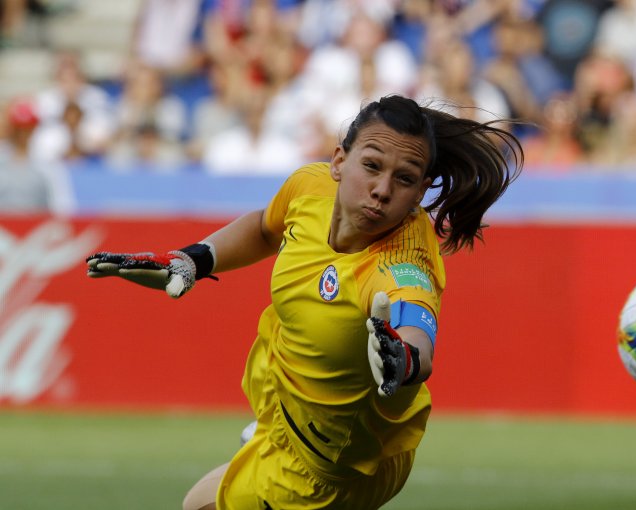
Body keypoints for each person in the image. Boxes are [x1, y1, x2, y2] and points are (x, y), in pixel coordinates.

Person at [85, 94, 523, 510]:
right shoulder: (310, 188)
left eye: (404, 180)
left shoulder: (402, 263)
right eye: (371, 166)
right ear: (338, 161)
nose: (382, 190)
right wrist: (195, 259)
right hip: (288, 416)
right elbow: (263, 227)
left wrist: (404, 360)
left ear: (419, 192)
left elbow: (417, 330)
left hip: (331, 463)